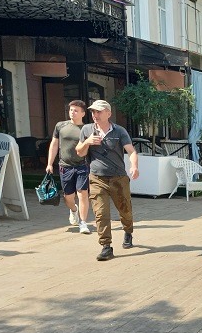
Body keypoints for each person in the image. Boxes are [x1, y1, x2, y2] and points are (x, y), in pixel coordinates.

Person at [75, 100, 138, 261]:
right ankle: (106, 246)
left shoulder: (119, 131)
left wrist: (134, 166)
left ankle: (128, 231)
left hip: (118, 178)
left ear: (108, 113)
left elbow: (131, 151)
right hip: (97, 178)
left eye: (99, 112)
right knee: (101, 213)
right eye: (93, 112)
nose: (95, 115)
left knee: (125, 210)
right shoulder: (87, 130)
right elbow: (79, 152)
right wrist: (87, 142)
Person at [45, 100, 91, 234]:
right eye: (71, 110)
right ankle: (73, 210)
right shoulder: (60, 126)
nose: (72, 112)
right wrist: (49, 163)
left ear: (83, 113)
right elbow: (54, 145)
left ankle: (83, 223)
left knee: (83, 193)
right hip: (65, 166)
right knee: (68, 197)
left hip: (82, 165)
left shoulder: (87, 129)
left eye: (76, 110)